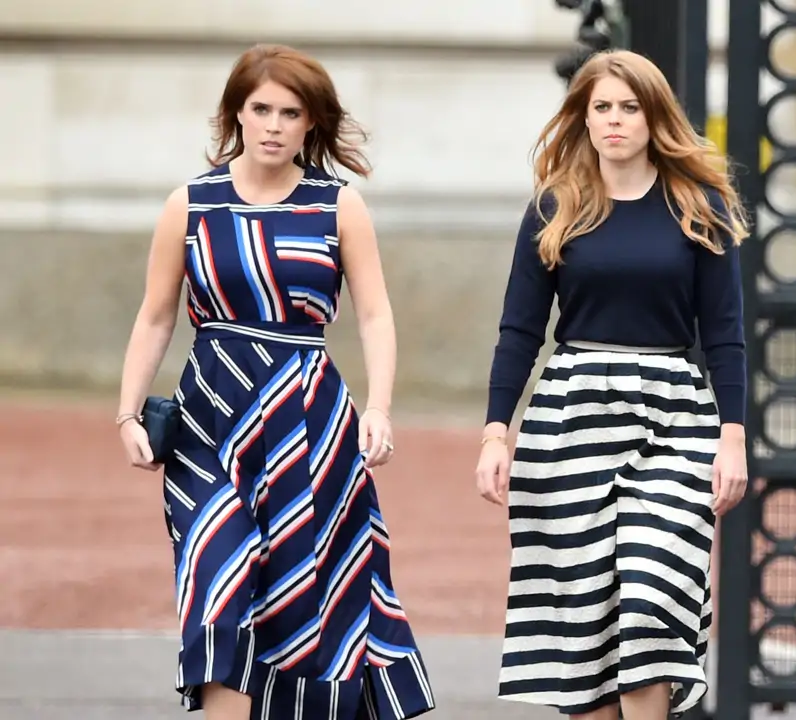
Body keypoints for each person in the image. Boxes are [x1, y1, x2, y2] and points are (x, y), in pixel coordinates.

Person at [115, 44, 435, 720]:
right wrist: (126, 416)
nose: (273, 125)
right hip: (210, 427)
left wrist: (378, 408)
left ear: (311, 124)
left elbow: (376, 316)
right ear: (236, 112)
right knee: (216, 584)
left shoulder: (338, 207)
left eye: (291, 113)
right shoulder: (190, 204)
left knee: (302, 596)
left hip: (311, 425)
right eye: (260, 109)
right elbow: (155, 317)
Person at [473, 49, 750, 720]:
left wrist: (733, 437)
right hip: (571, 416)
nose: (616, 121)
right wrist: (495, 433)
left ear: (654, 118)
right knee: (583, 625)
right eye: (603, 108)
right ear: (584, 116)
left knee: (654, 598)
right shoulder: (554, 207)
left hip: (674, 415)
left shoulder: (697, 205)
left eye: (630, 108)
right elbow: (519, 332)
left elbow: (725, 333)